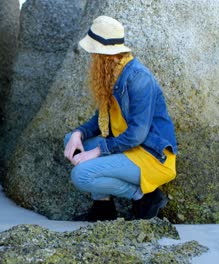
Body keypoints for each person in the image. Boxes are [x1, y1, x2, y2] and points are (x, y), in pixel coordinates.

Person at [63, 16, 178, 222]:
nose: (91, 59)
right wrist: (77, 134)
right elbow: (99, 121)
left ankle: (145, 197)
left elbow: (137, 134)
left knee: (81, 175)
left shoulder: (138, 78)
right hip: (127, 147)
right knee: (71, 141)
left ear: (106, 55)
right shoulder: (113, 74)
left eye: (94, 54)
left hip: (149, 156)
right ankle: (103, 210)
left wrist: (97, 152)